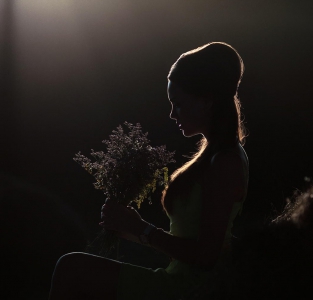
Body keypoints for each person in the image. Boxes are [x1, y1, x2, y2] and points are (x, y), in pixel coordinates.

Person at [49, 42, 249, 300]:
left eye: (177, 103)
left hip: (191, 289)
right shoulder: (212, 155)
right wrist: (128, 228)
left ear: (206, 100)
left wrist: (143, 229)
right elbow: (185, 243)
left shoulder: (226, 162)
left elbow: (206, 256)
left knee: (72, 268)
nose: (171, 114)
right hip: (179, 280)